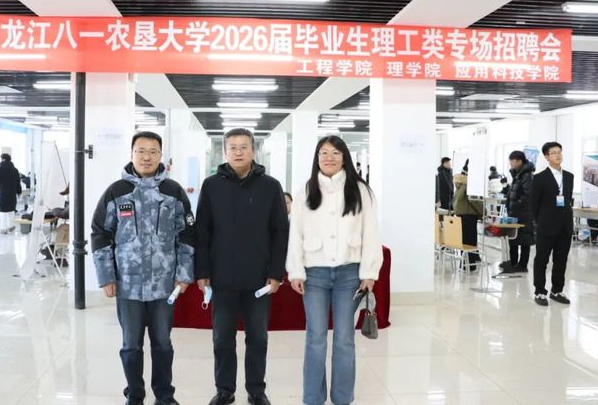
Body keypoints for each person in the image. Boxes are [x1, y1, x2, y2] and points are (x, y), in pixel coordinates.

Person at [91, 131, 195, 405]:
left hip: (164, 285)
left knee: (163, 343)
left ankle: (164, 395)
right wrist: (106, 276)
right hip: (128, 284)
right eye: (141, 151)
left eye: (152, 151)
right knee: (131, 345)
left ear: (161, 156)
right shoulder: (116, 191)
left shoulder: (173, 192)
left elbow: (187, 235)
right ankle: (135, 395)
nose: (146, 157)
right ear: (132, 154)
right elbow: (100, 234)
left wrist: (184, 274)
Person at [194, 128, 289, 405]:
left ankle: (256, 390)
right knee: (222, 339)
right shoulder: (211, 186)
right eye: (233, 147)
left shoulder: (270, 186)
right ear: (225, 151)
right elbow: (202, 231)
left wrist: (276, 273)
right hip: (221, 279)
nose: (238, 152)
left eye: (244, 147)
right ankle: (225, 390)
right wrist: (202, 272)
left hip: (259, 280)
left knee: (257, 339)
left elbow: (280, 232)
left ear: (253, 151)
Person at [286, 136, 382, 405]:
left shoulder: (360, 190)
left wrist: (369, 272)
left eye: (335, 153)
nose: (329, 158)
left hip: (349, 274)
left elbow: (371, 232)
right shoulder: (307, 189)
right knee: (315, 338)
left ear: (344, 158)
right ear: (317, 158)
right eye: (324, 153)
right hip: (314, 274)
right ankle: (313, 398)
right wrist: (296, 270)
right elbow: (296, 232)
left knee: (344, 339)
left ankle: (342, 398)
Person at [530, 142, 573, 306]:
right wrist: (538, 223)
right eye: (554, 152)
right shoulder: (539, 178)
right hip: (546, 226)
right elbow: (534, 204)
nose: (558, 155)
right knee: (542, 260)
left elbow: (567, 200)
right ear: (546, 156)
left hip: (565, 226)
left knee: (561, 260)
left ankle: (557, 290)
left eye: (559, 152)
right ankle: (540, 291)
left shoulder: (569, 176)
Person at [500, 151, 535, 274]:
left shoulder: (527, 176)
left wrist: (517, 203)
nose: (511, 163)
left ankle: (522, 265)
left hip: (524, 214)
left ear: (520, 161)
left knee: (525, 240)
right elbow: (514, 192)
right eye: (510, 161)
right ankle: (512, 262)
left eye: (513, 161)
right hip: (514, 213)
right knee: (513, 238)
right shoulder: (517, 175)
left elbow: (529, 195)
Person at [453, 160, 483, 270]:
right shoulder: (469, 184)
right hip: (469, 215)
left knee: (465, 240)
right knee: (470, 240)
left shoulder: (460, 183)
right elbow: (473, 200)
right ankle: (470, 265)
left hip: (461, 215)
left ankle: (466, 262)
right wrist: (483, 212)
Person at [0, 153, 22, 234]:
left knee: (3, 210)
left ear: (3, 159)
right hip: (12, 193)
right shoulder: (15, 170)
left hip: (2, 192)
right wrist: (19, 191)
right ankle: (11, 226)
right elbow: (18, 182)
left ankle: (4, 228)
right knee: (11, 209)